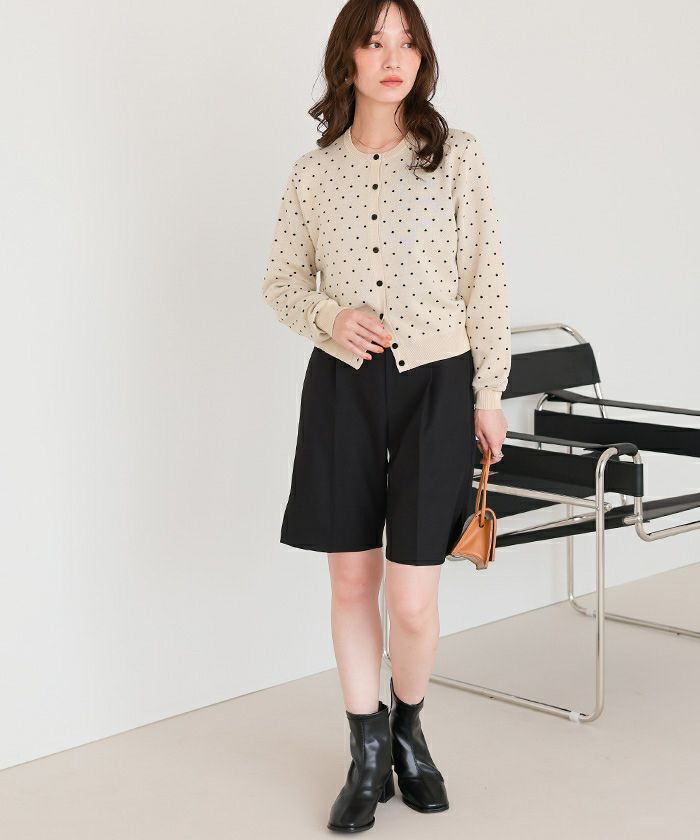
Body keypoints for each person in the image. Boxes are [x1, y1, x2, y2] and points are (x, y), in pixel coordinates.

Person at [261, 0, 511, 832]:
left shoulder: (458, 156)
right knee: (351, 581)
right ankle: (366, 752)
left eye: (407, 43)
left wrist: (488, 394)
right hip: (343, 388)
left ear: (422, 59)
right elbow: (280, 282)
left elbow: (487, 282)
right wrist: (329, 316)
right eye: (375, 42)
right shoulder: (312, 174)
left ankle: (409, 730)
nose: (393, 58)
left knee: (411, 597)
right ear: (349, 59)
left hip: (437, 388)